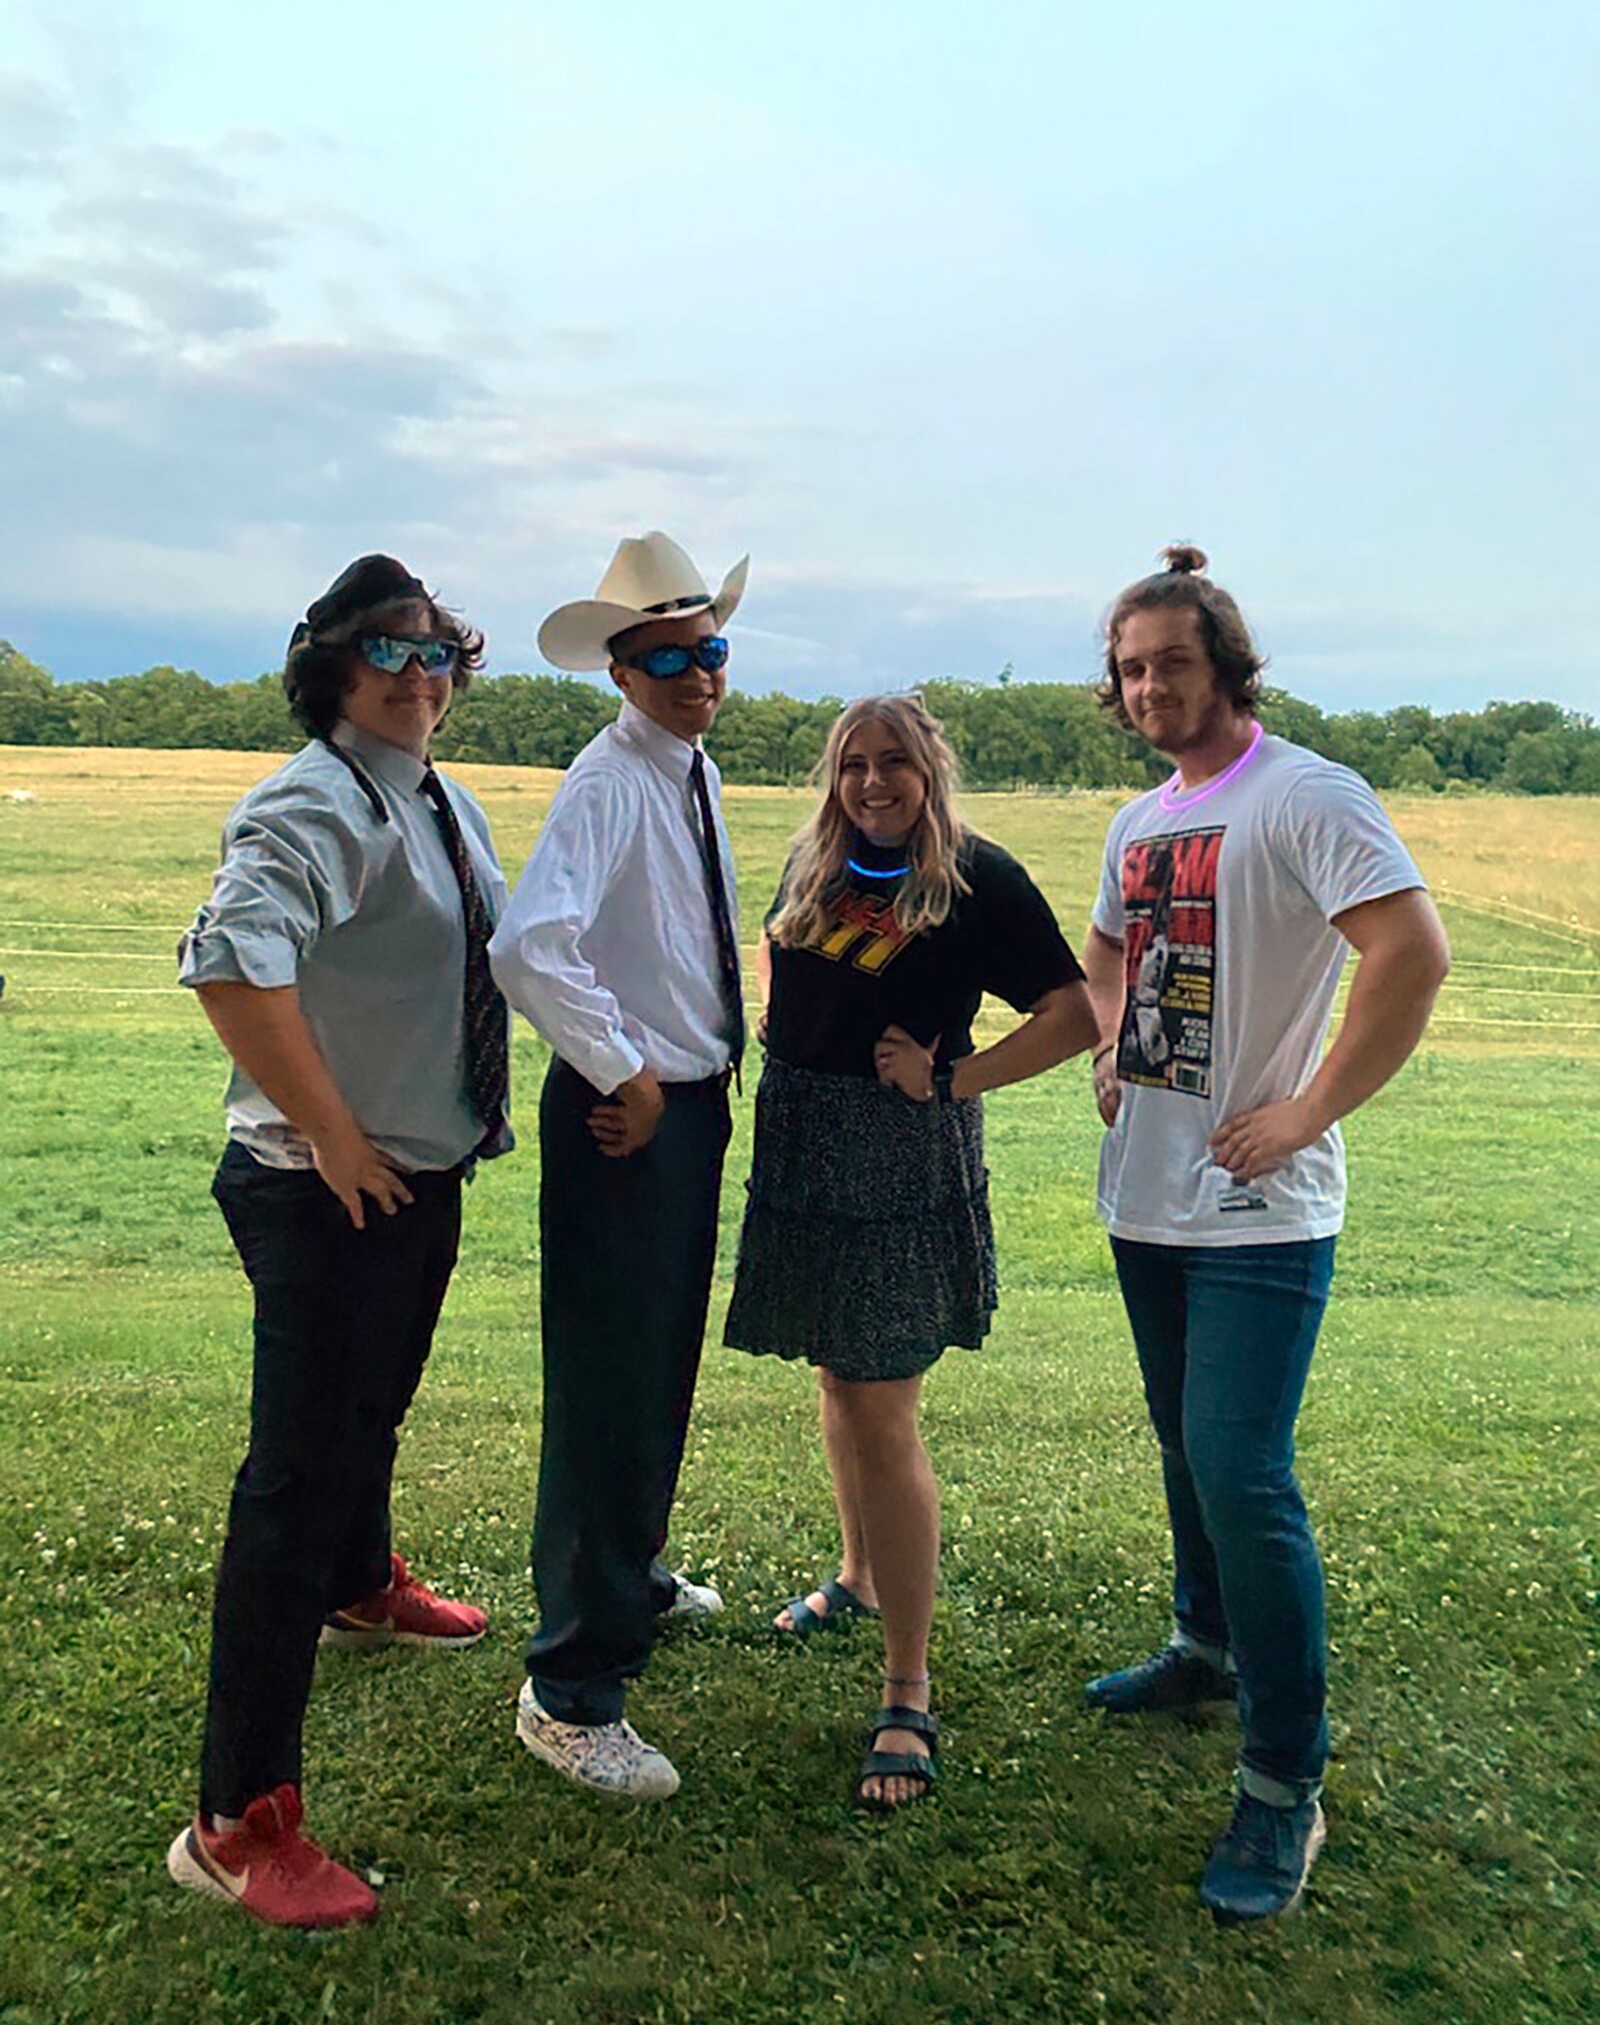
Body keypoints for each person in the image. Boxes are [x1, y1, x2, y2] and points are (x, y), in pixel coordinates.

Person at [1081, 544, 1450, 1924]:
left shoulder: (1305, 795)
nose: (1150, 686)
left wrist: (1304, 1110)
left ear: (1227, 666)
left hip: (1259, 1211)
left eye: (1173, 661)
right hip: (1149, 1196)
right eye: (1130, 669)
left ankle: (1286, 1781)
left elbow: (1411, 951)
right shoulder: (1137, 820)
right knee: (1186, 1440)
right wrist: (1110, 1039)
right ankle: (1203, 1644)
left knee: (1241, 1466)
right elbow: (1109, 945)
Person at [166, 555, 511, 1930]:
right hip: (325, 1192)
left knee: (371, 1414)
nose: (416, 672)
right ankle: (236, 1822)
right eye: (386, 648)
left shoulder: (431, 794)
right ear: (330, 667)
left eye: (435, 651)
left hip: (413, 1177)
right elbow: (229, 960)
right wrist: (333, 1134)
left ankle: (362, 1588)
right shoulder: (311, 800)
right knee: (295, 1477)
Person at [724, 694, 1097, 1810]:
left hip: (894, 1159)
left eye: (893, 764)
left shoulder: (976, 878)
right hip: (804, 1144)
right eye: (852, 766)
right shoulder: (817, 863)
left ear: (930, 772)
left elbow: (1076, 1013)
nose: (872, 784)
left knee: (884, 1407)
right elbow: (786, 969)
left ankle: (907, 1687)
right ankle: (858, 1577)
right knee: (840, 1380)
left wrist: (947, 1080)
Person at [489, 531, 747, 1801]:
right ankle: (572, 1689)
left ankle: (630, 1573)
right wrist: (627, 1071)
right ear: (619, 671)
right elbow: (531, 945)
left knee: (655, 1363)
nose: (697, 674)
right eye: (667, 658)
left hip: (681, 1114)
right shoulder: (611, 779)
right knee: (607, 1381)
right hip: (627, 1120)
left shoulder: (685, 769)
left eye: (710, 650)